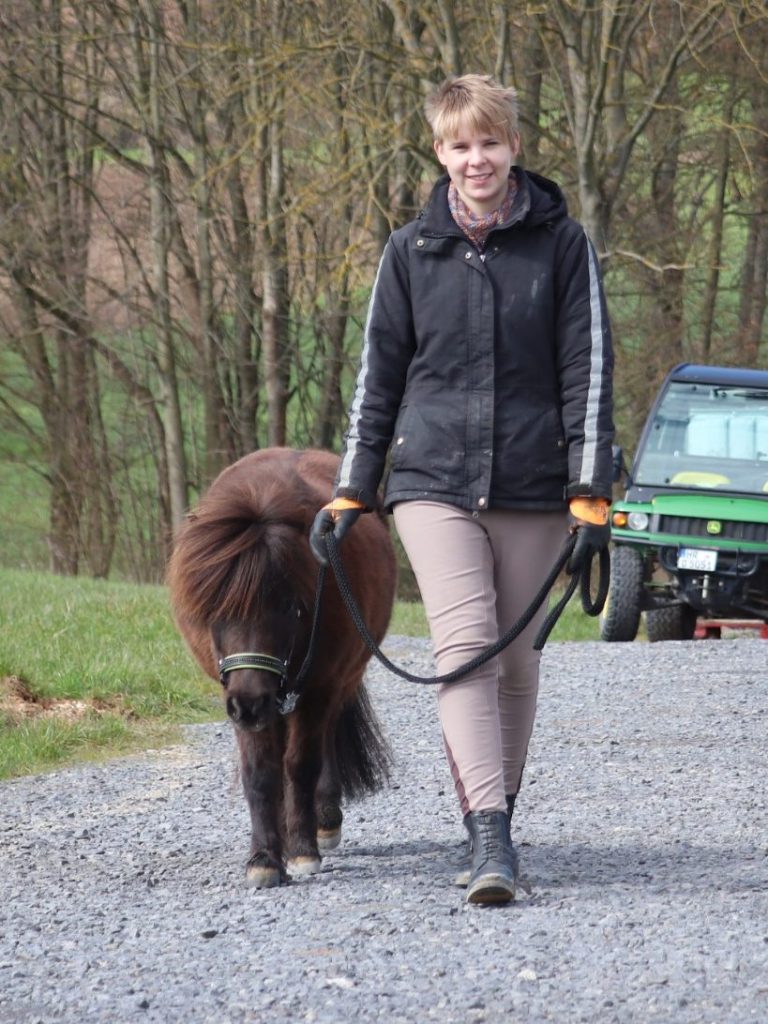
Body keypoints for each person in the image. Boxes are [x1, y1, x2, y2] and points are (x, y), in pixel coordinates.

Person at [310, 74, 614, 906]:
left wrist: (591, 489)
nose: (475, 159)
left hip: (536, 480)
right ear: (438, 152)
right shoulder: (411, 251)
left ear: (513, 146)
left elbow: (588, 369)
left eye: (489, 142)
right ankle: (490, 837)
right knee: (467, 647)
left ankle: (495, 817)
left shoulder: (563, 244)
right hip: (431, 479)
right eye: (458, 145)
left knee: (515, 661)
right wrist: (351, 488)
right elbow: (378, 377)